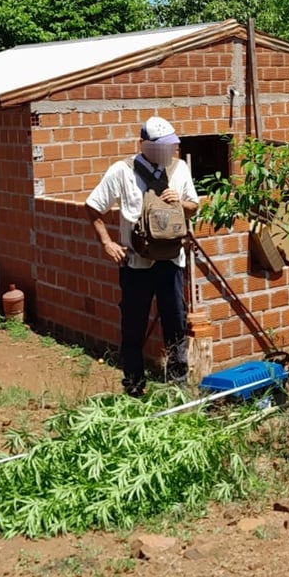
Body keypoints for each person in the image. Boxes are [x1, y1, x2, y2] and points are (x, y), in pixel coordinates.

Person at [85, 116, 200, 397]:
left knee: (175, 323)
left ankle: (178, 387)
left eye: (170, 146)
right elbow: (93, 207)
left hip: (171, 262)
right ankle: (134, 387)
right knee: (133, 327)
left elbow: (194, 207)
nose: (167, 151)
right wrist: (108, 244)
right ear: (143, 145)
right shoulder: (122, 171)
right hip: (136, 264)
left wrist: (179, 202)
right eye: (161, 147)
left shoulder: (180, 169)